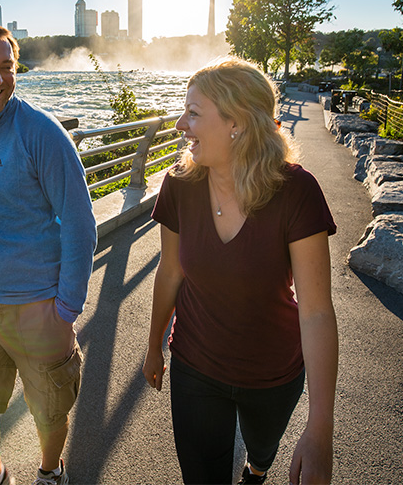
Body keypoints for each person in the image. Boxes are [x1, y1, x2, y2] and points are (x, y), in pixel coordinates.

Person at [142, 58, 338, 485]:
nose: (180, 124)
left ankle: (256, 469)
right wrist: (154, 345)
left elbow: (317, 311)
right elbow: (170, 271)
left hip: (274, 373)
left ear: (237, 122)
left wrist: (321, 428)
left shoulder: (296, 192)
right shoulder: (180, 184)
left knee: (262, 451)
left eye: (193, 113)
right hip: (195, 365)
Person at [0, 22, 97, 485]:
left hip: (38, 305)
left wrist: (66, 307)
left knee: (50, 411)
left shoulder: (41, 133)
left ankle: (49, 471)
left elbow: (80, 223)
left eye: (6, 66)